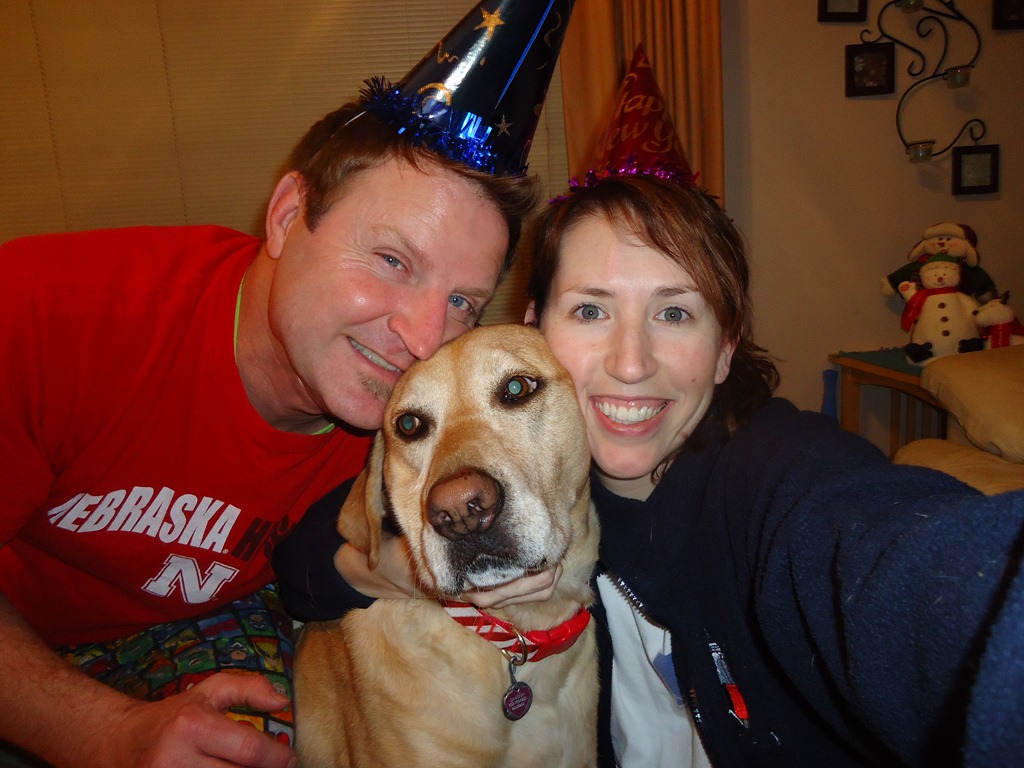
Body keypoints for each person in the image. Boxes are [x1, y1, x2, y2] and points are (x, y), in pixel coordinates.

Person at [275, 45, 1024, 767]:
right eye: (591, 310)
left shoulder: (776, 483)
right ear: (537, 332)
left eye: (674, 312)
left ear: (725, 348)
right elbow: (307, 555)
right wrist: (402, 566)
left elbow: (891, 557)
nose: (630, 364)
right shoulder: (564, 483)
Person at [0, 2, 577, 765]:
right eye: (393, 261)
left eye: (462, 301)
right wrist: (103, 733)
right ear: (286, 214)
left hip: (189, 629)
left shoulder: (420, 421)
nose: (422, 339)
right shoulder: (44, 312)